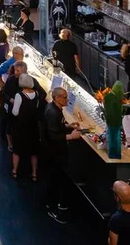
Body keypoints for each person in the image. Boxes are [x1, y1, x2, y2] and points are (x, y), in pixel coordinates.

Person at [43, 87, 82, 223]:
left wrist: (69, 126)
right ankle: (52, 209)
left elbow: (57, 128)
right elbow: (53, 136)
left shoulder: (55, 110)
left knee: (57, 179)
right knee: (54, 180)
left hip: (56, 152)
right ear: (57, 98)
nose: (67, 99)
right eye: (65, 97)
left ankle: (55, 203)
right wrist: (70, 136)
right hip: (53, 153)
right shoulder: (53, 113)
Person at [11, 73, 42, 181]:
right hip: (33, 126)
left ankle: (15, 171)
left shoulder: (19, 95)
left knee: (17, 150)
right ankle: (34, 174)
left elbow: (15, 112)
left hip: (21, 126)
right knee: (34, 151)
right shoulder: (37, 94)